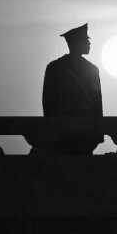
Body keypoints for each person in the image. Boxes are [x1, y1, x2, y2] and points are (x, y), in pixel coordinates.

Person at [42, 23, 103, 153]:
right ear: (77, 43)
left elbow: (97, 103)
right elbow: (49, 100)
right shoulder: (57, 68)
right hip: (65, 131)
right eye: (86, 40)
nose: (89, 43)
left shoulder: (55, 67)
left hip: (83, 132)